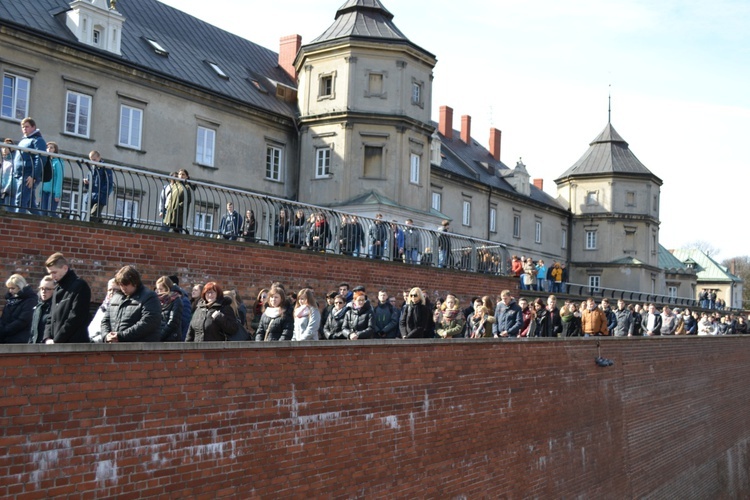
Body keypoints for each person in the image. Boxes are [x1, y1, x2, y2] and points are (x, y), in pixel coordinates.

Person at [103, 265, 161, 343]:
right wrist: (106, 336)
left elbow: (149, 322)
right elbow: (105, 320)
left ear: (135, 282)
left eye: (126, 284)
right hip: (116, 347)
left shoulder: (149, 297)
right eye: (121, 285)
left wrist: (121, 336)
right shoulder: (115, 298)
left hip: (139, 348)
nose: (123, 288)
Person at [43, 252, 92, 343]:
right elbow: (51, 316)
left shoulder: (80, 286)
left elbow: (76, 317)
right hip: (55, 343)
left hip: (73, 344)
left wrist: (57, 340)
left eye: (54, 272)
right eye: (50, 273)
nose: (52, 276)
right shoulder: (57, 288)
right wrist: (47, 338)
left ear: (65, 268)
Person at [12, 118, 46, 214]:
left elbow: (40, 158)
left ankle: (17, 224)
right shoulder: (24, 140)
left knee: (20, 202)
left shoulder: (38, 140)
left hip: (28, 175)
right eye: (23, 127)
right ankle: (41, 224)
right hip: (20, 174)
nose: (24, 129)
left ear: (33, 127)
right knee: (30, 204)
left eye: (27, 126)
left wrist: (33, 176)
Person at [0, 274, 36, 343]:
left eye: (13, 288)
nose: (10, 291)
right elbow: (4, 318)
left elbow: (23, 321)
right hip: (7, 336)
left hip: (20, 338)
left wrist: (4, 330)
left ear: (20, 287)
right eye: (9, 288)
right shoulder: (10, 301)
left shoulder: (30, 301)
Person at [84, 150, 114, 223]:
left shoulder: (105, 168)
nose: (93, 161)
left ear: (99, 158)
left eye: (94, 159)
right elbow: (88, 187)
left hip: (100, 196)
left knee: (92, 217)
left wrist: (103, 193)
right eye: (91, 160)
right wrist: (87, 183)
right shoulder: (92, 169)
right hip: (92, 195)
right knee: (94, 217)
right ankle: (102, 228)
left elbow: (109, 183)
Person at [88, 279, 118, 343]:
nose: (112, 292)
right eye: (110, 290)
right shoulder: (103, 308)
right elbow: (92, 330)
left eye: (115, 290)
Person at [155, 276, 183, 342]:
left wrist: (160, 336)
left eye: (161, 289)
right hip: (160, 336)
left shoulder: (176, 300)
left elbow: (173, 321)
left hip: (171, 338)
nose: (159, 292)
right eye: (157, 289)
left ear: (167, 288)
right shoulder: (158, 301)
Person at [164, 169, 192, 233]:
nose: (181, 176)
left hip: (179, 215)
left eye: (183, 174)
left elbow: (187, 200)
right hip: (170, 213)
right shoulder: (175, 185)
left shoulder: (187, 187)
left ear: (187, 176)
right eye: (180, 174)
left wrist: (179, 207)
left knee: (176, 232)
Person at [40, 141, 64, 217]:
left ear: (55, 150)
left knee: (51, 213)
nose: (49, 149)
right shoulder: (45, 161)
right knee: (42, 213)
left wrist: (57, 194)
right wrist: (40, 193)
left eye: (51, 148)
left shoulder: (58, 162)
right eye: (47, 147)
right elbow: (43, 178)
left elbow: (59, 178)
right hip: (44, 191)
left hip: (53, 192)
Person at [29, 276, 55, 344]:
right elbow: (33, 332)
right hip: (36, 348)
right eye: (41, 288)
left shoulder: (56, 307)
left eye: (48, 289)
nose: (44, 291)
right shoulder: (38, 307)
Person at [1, 138, 16, 209]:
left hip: (9, 191)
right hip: (2, 189)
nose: (4, 149)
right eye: (3, 147)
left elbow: (12, 176)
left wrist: (7, 188)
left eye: (6, 148)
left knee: (9, 210)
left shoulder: (14, 160)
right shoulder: (4, 160)